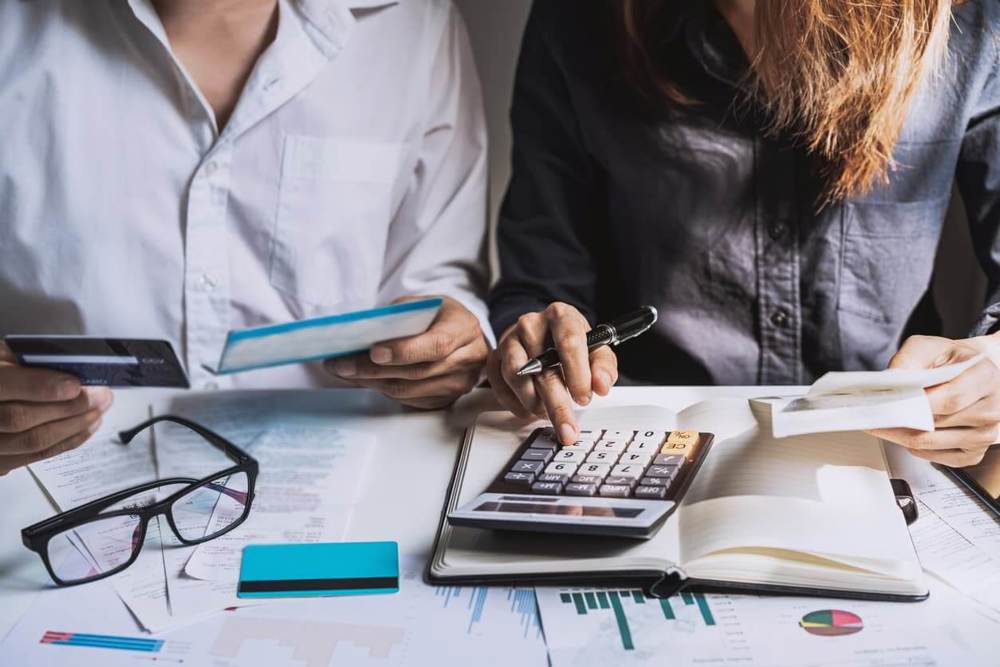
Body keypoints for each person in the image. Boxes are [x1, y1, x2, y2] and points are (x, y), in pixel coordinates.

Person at [487, 0, 1000, 467]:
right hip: (644, 448)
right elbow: (540, 282)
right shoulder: (576, 19)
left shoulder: (972, 21)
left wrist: (993, 366)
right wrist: (541, 340)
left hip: (888, 455)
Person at [0, 0, 491, 475]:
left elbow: (440, 283)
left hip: (348, 503)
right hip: (44, 511)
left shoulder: (416, 27)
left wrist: (446, 353)